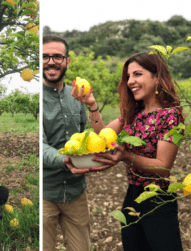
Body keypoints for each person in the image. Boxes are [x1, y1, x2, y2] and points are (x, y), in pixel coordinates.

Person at [72, 52, 184, 251]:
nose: (131, 81)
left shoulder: (170, 116)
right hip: (132, 196)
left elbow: (163, 167)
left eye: (138, 74)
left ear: (157, 77)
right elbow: (103, 137)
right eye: (128, 77)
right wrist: (92, 105)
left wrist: (126, 156)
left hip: (158, 198)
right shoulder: (132, 114)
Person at [43, 35, 112, 251]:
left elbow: (92, 137)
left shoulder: (77, 96)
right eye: (44, 56)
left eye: (57, 56)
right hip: (46, 192)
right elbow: (41, 145)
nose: (51, 61)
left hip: (75, 193)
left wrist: (92, 105)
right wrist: (67, 160)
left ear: (67, 61)